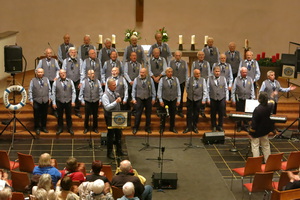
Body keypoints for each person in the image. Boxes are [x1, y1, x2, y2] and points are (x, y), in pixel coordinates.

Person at [102, 79, 128, 159]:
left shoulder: (116, 93)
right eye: (113, 85)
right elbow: (107, 107)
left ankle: (119, 151)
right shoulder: (105, 95)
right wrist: (116, 102)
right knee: (111, 135)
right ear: (109, 86)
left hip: (117, 116)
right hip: (109, 117)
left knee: (118, 134)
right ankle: (109, 153)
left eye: (115, 85)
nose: (115, 86)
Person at [249, 92, 274, 163]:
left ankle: (256, 163)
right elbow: (272, 102)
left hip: (257, 132)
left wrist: (251, 132)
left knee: (255, 146)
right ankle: (268, 162)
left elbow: (254, 124)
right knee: (266, 145)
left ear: (259, 99)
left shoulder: (257, 110)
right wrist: (272, 96)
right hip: (265, 130)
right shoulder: (269, 106)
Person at [36, 47, 60, 117]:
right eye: (48, 53)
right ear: (45, 54)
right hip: (45, 81)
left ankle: (54, 110)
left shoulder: (55, 61)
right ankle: (44, 110)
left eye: (50, 53)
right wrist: (41, 76)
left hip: (53, 80)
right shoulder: (41, 61)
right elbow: (37, 70)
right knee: (45, 95)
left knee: (53, 94)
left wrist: (57, 77)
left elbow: (58, 70)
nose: (49, 54)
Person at [132, 68, 156, 135]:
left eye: (143, 72)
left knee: (148, 114)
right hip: (139, 98)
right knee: (138, 114)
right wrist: (133, 98)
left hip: (148, 98)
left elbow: (153, 89)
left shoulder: (150, 79)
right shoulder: (136, 79)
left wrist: (154, 98)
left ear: (146, 73)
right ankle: (135, 127)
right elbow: (134, 90)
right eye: (141, 72)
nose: (141, 74)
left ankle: (147, 127)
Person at [52, 69, 76, 136]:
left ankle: (70, 128)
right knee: (60, 116)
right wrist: (53, 102)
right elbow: (53, 93)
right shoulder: (55, 82)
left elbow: (73, 92)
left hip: (68, 101)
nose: (63, 74)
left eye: (64, 73)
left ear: (66, 73)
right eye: (61, 73)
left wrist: (73, 101)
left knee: (69, 116)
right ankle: (60, 128)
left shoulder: (70, 81)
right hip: (59, 101)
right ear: (59, 75)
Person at [183, 69, 208, 134]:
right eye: (197, 74)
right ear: (194, 74)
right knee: (189, 113)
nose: (198, 75)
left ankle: (194, 126)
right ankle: (188, 127)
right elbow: (187, 87)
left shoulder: (203, 80)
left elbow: (205, 90)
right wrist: (190, 93)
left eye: (199, 73)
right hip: (190, 99)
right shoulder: (189, 79)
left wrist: (204, 99)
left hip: (198, 99)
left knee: (196, 113)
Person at [157, 67, 181, 133]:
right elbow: (159, 90)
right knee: (163, 114)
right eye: (169, 72)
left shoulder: (176, 79)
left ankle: (172, 127)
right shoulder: (162, 79)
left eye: (171, 72)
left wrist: (178, 99)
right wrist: (160, 100)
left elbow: (178, 90)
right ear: (166, 73)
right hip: (165, 99)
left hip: (173, 99)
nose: (170, 73)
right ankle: (162, 128)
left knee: (173, 114)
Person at [79, 69, 103, 134]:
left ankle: (95, 128)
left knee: (95, 115)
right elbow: (81, 93)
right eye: (91, 74)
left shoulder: (97, 81)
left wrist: (100, 100)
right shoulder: (84, 82)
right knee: (87, 115)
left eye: (93, 73)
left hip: (95, 100)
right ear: (88, 75)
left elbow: (100, 92)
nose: (93, 75)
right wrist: (82, 100)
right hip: (87, 101)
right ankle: (86, 127)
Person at [231, 67, 255, 132]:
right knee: (239, 113)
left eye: (246, 72)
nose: (245, 73)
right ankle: (239, 126)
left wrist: (253, 99)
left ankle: (246, 126)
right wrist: (233, 99)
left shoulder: (250, 79)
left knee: (247, 114)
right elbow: (233, 90)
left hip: (248, 99)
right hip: (239, 99)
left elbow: (252, 89)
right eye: (243, 72)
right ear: (241, 72)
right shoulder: (236, 79)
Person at [28, 68, 51, 135]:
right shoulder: (33, 80)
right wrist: (31, 100)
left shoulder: (46, 79)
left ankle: (43, 127)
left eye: (41, 72)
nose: (40, 73)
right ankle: (37, 128)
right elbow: (30, 91)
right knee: (37, 115)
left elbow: (49, 90)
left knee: (44, 114)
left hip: (45, 100)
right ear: (36, 73)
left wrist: (49, 98)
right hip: (36, 100)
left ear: (43, 73)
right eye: (39, 72)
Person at [62, 47, 83, 118]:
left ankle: (77, 110)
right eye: (72, 52)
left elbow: (82, 72)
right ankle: (68, 111)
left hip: (77, 80)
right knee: (68, 95)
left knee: (77, 96)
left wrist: (81, 82)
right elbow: (63, 71)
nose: (73, 54)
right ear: (69, 53)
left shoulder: (80, 61)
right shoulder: (65, 61)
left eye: (75, 52)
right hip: (68, 81)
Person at [207, 66, 229, 132]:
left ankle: (220, 126)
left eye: (218, 71)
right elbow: (207, 89)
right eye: (216, 71)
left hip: (221, 98)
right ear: (213, 72)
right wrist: (207, 99)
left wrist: (227, 98)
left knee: (221, 113)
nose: (217, 73)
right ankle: (213, 125)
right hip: (213, 98)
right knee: (213, 113)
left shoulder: (223, 78)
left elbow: (226, 89)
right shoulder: (209, 78)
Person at [191, 51, 211, 118]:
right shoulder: (194, 63)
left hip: (204, 81)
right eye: (200, 55)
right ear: (197, 56)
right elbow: (192, 73)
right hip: (196, 82)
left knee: (203, 96)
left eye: (202, 55)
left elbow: (209, 74)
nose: (201, 56)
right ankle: (196, 110)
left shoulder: (207, 63)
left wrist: (207, 81)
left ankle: (202, 110)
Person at [168, 50, 188, 118]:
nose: (178, 57)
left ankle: (180, 111)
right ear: (174, 56)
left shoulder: (184, 63)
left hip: (181, 81)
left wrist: (186, 81)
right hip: (173, 82)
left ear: (181, 56)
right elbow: (168, 71)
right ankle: (173, 110)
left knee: (181, 96)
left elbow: (186, 73)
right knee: (173, 96)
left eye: (179, 55)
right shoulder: (171, 63)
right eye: (176, 55)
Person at [124, 51, 143, 115]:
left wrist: (134, 81)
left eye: (135, 55)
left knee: (135, 97)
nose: (134, 57)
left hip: (136, 83)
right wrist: (130, 81)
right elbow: (125, 73)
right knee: (128, 96)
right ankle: (128, 110)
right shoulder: (127, 64)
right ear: (130, 57)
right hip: (128, 83)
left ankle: (135, 110)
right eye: (133, 55)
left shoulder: (139, 64)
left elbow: (140, 74)